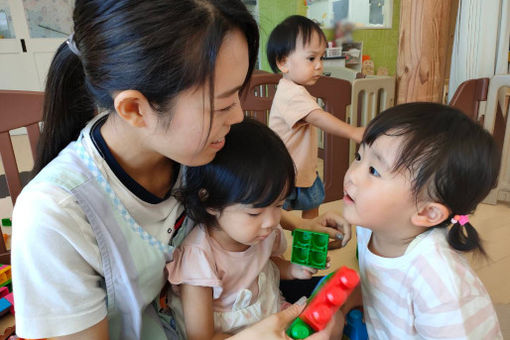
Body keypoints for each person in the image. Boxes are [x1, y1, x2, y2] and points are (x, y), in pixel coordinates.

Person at [11, 1, 349, 339]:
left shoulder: (200, 149)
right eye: (222, 104)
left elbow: (244, 199)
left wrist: (297, 221)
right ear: (135, 109)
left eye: (237, 98)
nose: (236, 118)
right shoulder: (55, 216)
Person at [340, 103, 503, 339]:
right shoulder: (372, 226)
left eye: (374, 170)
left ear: (428, 213)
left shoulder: (437, 281)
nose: (352, 174)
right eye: (358, 156)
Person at [166, 119, 340, 339]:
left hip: (269, 312)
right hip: (231, 334)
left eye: (278, 205)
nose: (270, 221)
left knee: (331, 320)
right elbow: (201, 337)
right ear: (210, 202)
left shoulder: (259, 232)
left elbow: (264, 265)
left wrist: (293, 269)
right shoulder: (199, 259)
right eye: (254, 213)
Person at [266, 15, 364, 221]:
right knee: (274, 216)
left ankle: (312, 239)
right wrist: (353, 132)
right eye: (311, 58)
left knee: (313, 205)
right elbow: (318, 118)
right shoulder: (290, 93)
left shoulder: (295, 90)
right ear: (284, 62)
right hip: (284, 174)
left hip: (304, 171)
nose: (319, 65)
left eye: (321, 58)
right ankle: (281, 246)